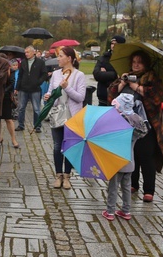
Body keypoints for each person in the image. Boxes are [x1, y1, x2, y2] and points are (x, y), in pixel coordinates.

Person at [108, 49, 163, 202]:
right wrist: (122, 83)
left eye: (139, 62)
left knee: (146, 156)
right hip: (125, 123)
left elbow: (157, 97)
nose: (136, 65)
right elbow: (111, 94)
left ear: (145, 63)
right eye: (134, 62)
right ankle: (133, 183)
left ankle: (149, 190)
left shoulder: (152, 78)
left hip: (147, 124)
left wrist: (137, 87)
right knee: (131, 153)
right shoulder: (125, 76)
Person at [46, 47, 87, 189]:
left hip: (73, 116)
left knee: (69, 146)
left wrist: (67, 87)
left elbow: (80, 97)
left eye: (61, 56)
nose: (58, 58)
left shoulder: (79, 75)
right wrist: (48, 96)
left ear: (69, 58)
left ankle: (67, 176)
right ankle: (58, 175)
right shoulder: (56, 74)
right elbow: (51, 92)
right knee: (57, 146)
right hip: (57, 115)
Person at [103, 94, 148, 221]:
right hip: (130, 161)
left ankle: (110, 211)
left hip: (116, 161)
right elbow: (143, 132)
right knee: (126, 187)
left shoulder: (118, 121)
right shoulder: (136, 120)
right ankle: (126, 211)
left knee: (113, 187)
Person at [15, 45, 47, 131]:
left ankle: (37, 126)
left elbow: (44, 74)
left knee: (36, 109)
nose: (26, 54)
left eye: (28, 52)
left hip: (35, 89)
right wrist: (17, 88)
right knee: (21, 108)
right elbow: (20, 75)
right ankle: (21, 125)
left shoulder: (40, 62)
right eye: (25, 52)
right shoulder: (23, 62)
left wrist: (38, 82)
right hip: (23, 88)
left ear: (33, 52)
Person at [93, 35, 124, 106]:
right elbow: (97, 74)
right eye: (112, 43)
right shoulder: (103, 58)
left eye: (116, 44)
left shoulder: (124, 60)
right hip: (103, 98)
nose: (113, 46)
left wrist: (106, 74)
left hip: (118, 99)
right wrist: (114, 75)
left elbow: (122, 77)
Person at [1, 59, 20, 150]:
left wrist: (3, 92)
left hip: (6, 97)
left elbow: (12, 84)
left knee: (8, 119)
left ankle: (13, 139)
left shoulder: (10, 71)